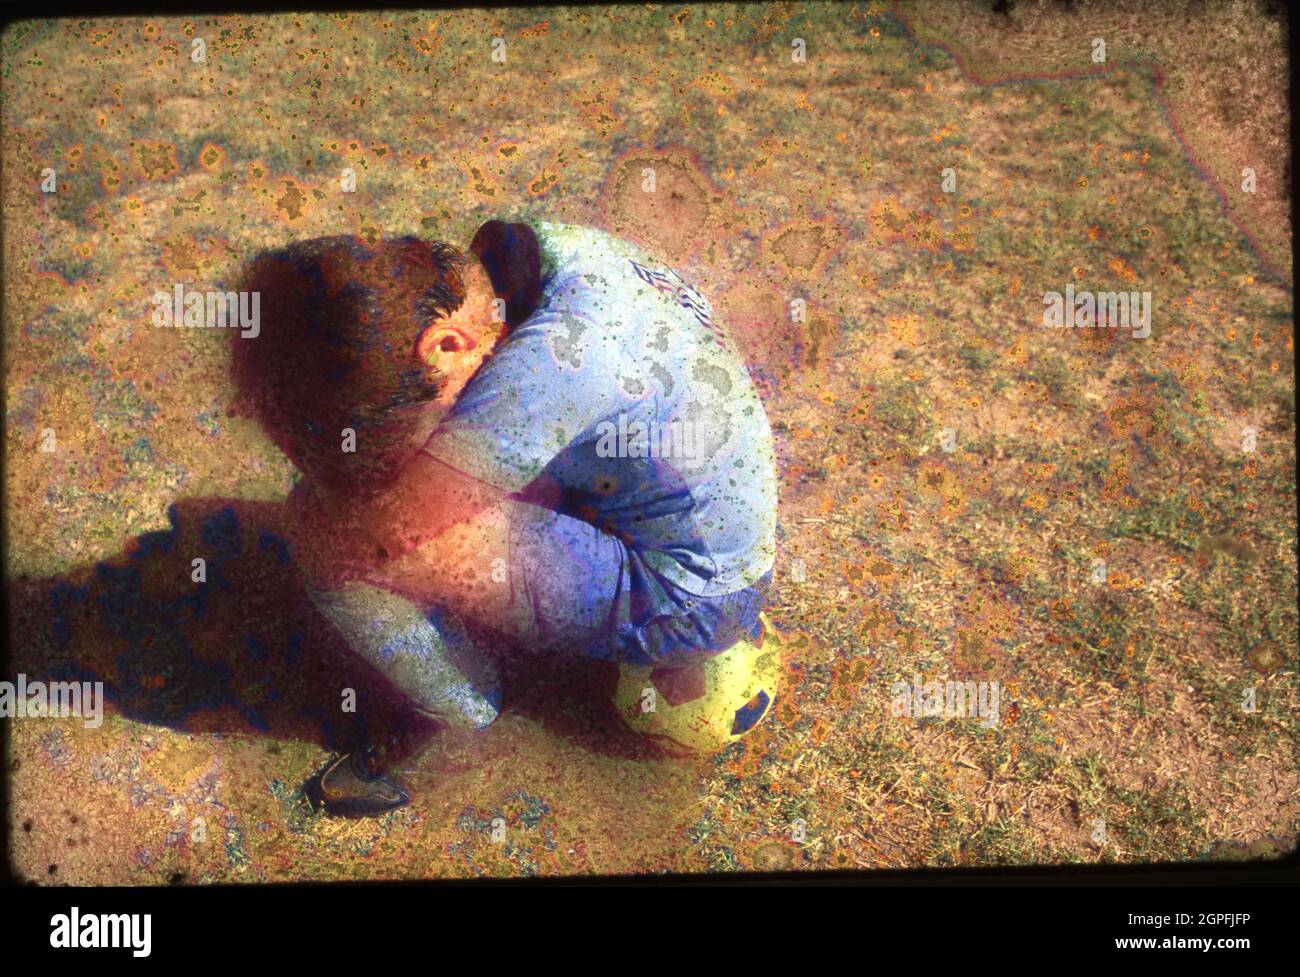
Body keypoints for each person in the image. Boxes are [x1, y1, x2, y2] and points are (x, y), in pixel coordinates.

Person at [236, 219, 778, 816]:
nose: (386, 453)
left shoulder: (540, 374)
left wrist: (364, 495)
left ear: (447, 344)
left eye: (390, 437)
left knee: (332, 538)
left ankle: (458, 706)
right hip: (677, 515)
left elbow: (383, 528)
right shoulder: (523, 250)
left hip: (688, 599)